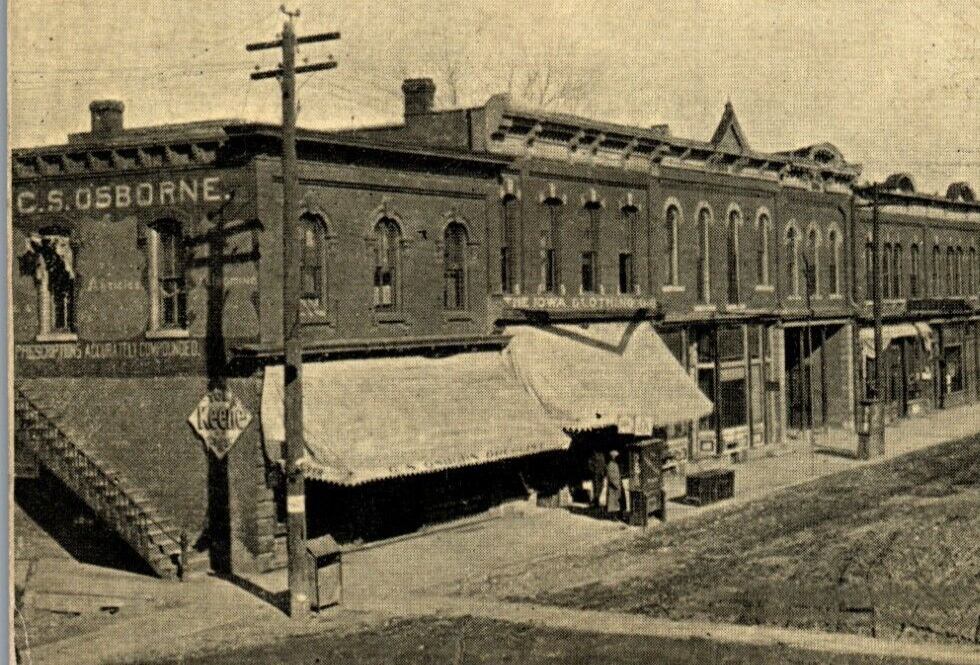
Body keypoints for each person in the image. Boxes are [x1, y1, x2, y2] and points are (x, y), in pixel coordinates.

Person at [606, 449, 624, 520]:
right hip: (614, 487)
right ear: (613, 457)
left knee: (619, 501)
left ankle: (620, 515)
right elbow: (611, 477)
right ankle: (614, 516)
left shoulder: (616, 464)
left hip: (618, 485)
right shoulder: (610, 465)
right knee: (613, 502)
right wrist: (617, 485)